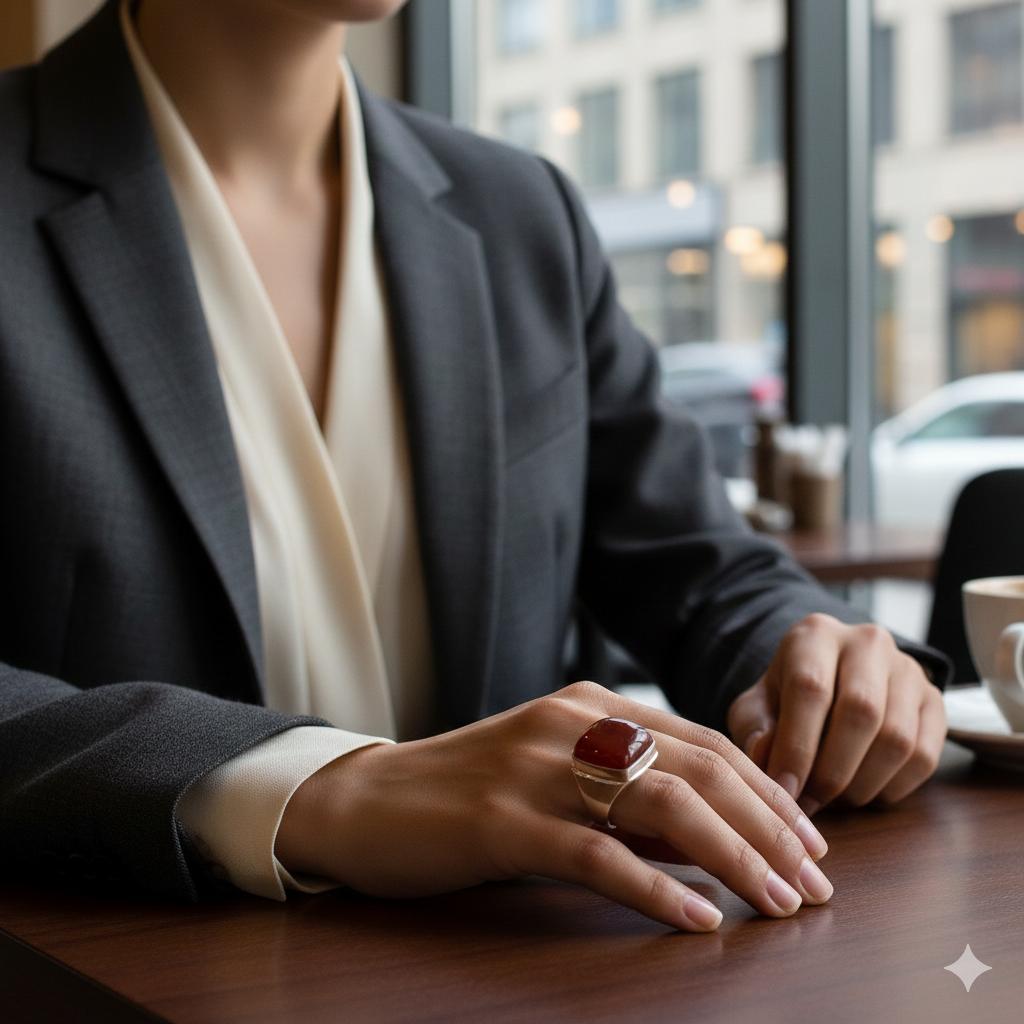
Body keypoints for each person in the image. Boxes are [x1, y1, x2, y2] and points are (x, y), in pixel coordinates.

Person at [0, 0, 949, 933]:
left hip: (513, 970)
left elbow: (702, 567)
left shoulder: (519, 212)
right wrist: (318, 789)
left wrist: (807, 662)